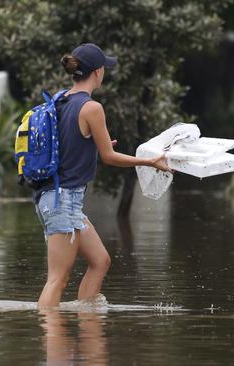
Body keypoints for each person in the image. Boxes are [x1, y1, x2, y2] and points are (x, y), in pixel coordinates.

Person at [35, 43, 171, 308]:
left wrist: (94, 148)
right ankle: (52, 344)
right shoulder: (91, 108)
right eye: (104, 69)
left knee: (100, 261)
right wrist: (150, 161)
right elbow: (109, 157)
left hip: (60, 199)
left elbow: (70, 150)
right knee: (57, 278)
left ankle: (87, 322)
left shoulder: (60, 100)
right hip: (61, 200)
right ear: (97, 72)